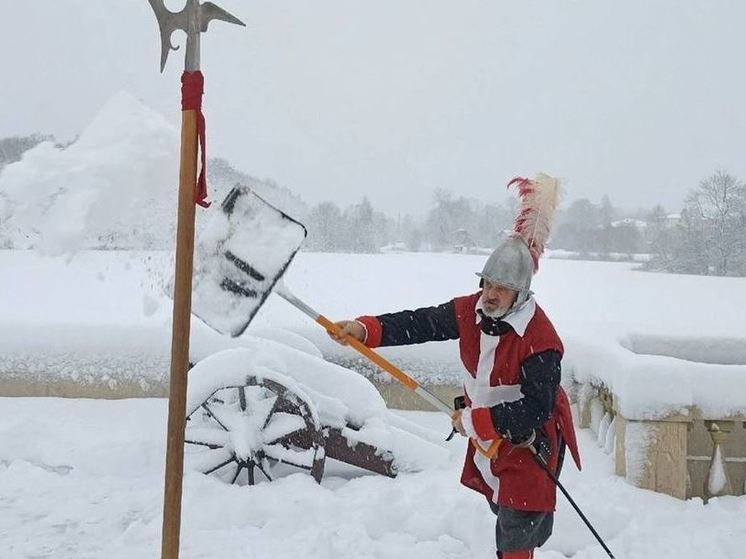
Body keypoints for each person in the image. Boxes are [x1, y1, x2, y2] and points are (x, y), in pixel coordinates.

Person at [329, 234, 581, 559]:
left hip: (529, 440)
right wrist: (366, 330)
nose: (489, 295)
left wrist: (478, 420)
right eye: (487, 284)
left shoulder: (541, 339)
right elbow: (420, 324)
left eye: (500, 288)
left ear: (520, 294)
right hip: (489, 438)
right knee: (501, 506)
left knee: (518, 522)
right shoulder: (469, 310)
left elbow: (537, 407)